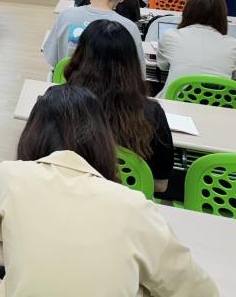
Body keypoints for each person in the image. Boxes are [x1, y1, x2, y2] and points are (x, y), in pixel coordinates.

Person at [0, 84, 217, 297]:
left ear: (31, 134)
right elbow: (201, 291)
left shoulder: (8, 177)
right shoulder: (134, 208)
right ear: (103, 139)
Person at [65, 20, 174, 193]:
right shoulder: (152, 114)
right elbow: (161, 185)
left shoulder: (59, 103)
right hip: (127, 211)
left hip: (72, 200)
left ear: (79, 55)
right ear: (132, 61)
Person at [44, 0, 143, 70]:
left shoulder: (66, 16)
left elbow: (52, 59)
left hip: (68, 83)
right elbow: (138, 71)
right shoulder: (129, 27)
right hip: (110, 86)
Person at [157, 0, 236, 97]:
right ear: (222, 15)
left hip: (174, 104)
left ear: (187, 11)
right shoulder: (233, 45)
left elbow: (162, 66)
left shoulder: (170, 35)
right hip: (218, 107)